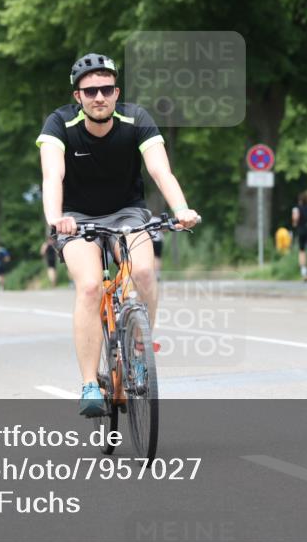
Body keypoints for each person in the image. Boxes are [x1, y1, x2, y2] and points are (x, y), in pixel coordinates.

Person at [37, 52, 199, 416]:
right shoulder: (58, 124)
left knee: (142, 273)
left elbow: (161, 171)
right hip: (76, 218)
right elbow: (52, 176)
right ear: (77, 96)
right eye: (90, 90)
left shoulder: (137, 119)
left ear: (116, 91)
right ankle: (90, 384)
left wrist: (181, 209)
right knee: (92, 286)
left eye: (106, 89)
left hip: (127, 212)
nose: (99, 97)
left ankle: (140, 354)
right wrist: (55, 218)